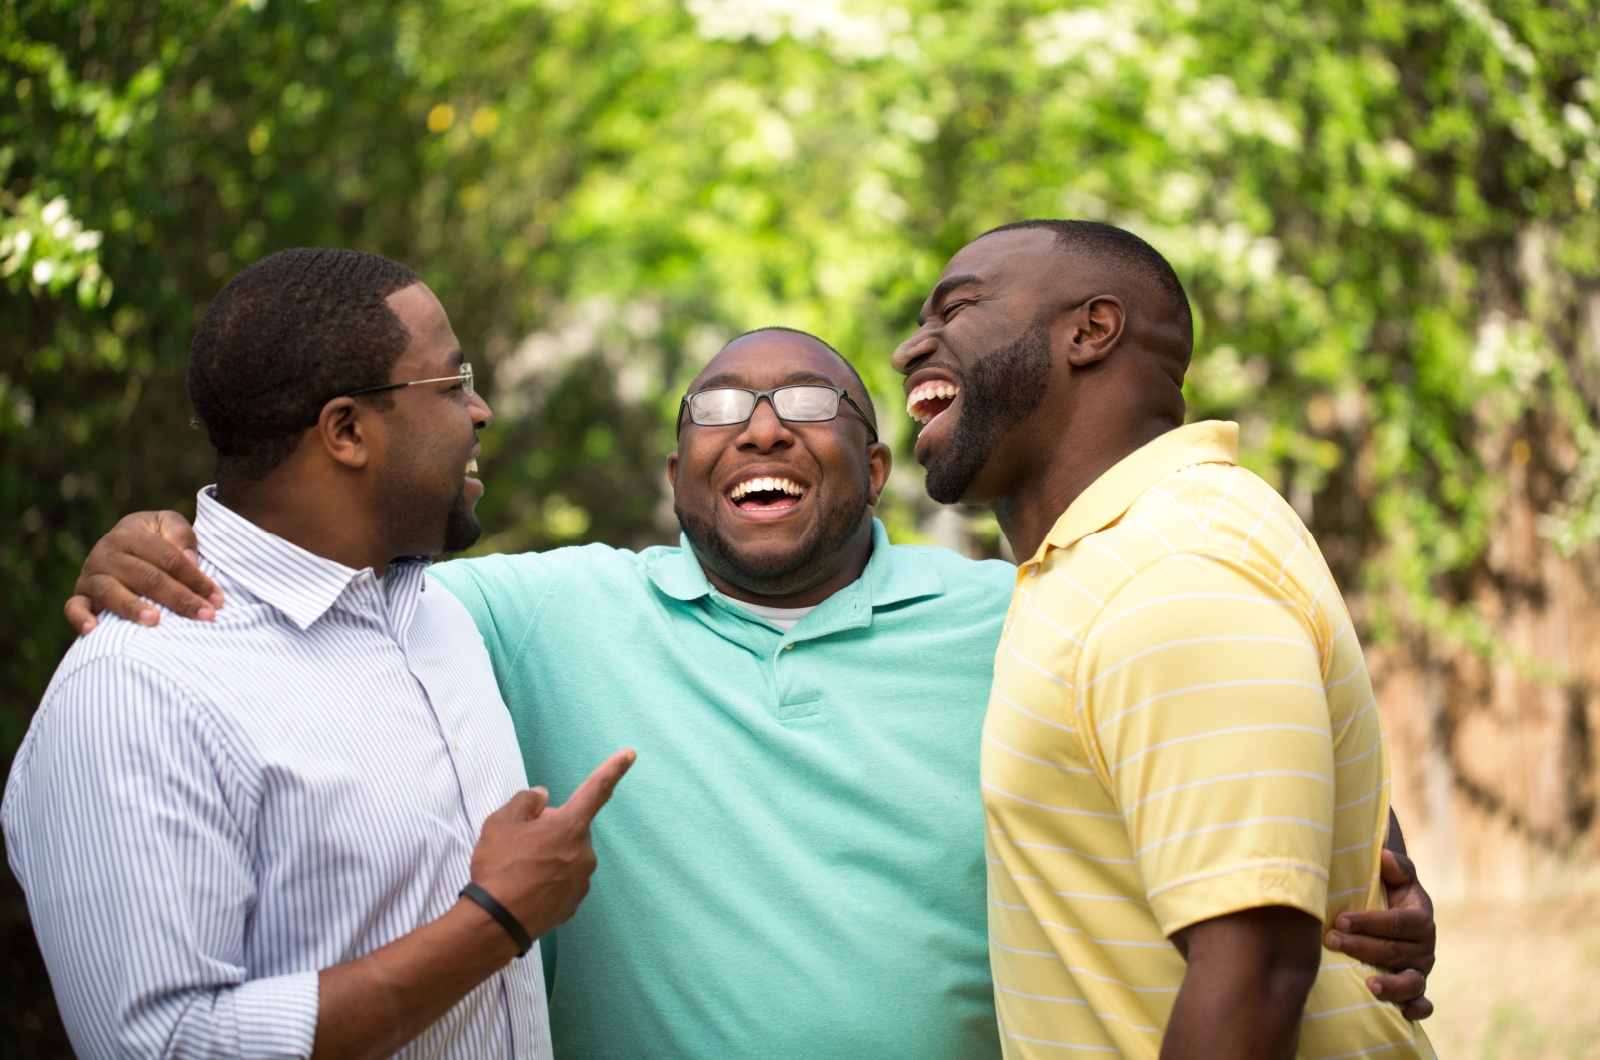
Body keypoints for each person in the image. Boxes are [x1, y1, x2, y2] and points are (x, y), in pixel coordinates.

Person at [62, 325, 1436, 1059]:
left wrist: (1378, 894)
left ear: (881, 471)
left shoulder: (1025, 617)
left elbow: (1240, 766)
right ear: (676, 483)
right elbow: (324, 577)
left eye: (811, 404)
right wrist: (158, 541)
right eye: (716, 411)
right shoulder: (526, 614)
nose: (761, 426)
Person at [4, 248, 634, 1059]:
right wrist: (497, 919)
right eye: (452, 384)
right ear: (345, 430)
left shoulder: (438, 615)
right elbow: (165, 1044)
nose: (480, 411)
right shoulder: (139, 687)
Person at [893, 220, 1435, 1058]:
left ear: (1090, 330)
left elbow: (1255, 975)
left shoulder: (1173, 569)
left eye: (954, 310)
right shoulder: (1111, 559)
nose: (907, 350)